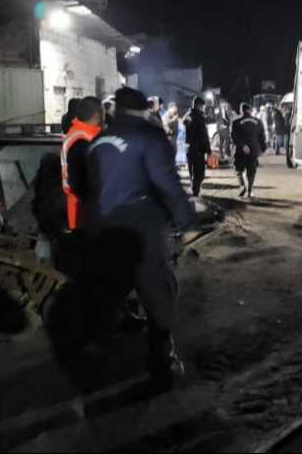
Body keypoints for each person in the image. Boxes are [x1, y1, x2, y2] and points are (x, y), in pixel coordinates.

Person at [83, 87, 195, 388]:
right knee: (160, 293)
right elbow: (167, 181)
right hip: (140, 229)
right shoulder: (148, 137)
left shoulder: (96, 142)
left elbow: (85, 187)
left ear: (115, 111)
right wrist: (186, 221)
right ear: (144, 109)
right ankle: (161, 362)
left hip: (101, 230)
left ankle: (96, 365)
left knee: (109, 294)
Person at [62, 97, 105, 232]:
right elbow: (80, 182)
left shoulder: (77, 133)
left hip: (80, 208)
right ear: (97, 117)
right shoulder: (81, 141)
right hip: (82, 212)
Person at [232, 102, 268, 198]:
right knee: (251, 171)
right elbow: (262, 137)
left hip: (240, 150)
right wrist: (263, 148)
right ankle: (249, 191)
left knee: (238, 169)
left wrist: (242, 146)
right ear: (250, 111)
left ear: (241, 111)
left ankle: (242, 185)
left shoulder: (235, 122)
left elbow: (234, 137)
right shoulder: (258, 122)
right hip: (253, 150)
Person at [183, 97, 212, 197]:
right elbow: (204, 136)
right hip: (198, 149)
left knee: (192, 172)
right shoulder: (199, 118)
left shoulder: (187, 116)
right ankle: (196, 194)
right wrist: (208, 150)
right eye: (203, 107)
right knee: (199, 173)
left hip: (188, 148)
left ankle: (194, 190)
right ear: (200, 106)